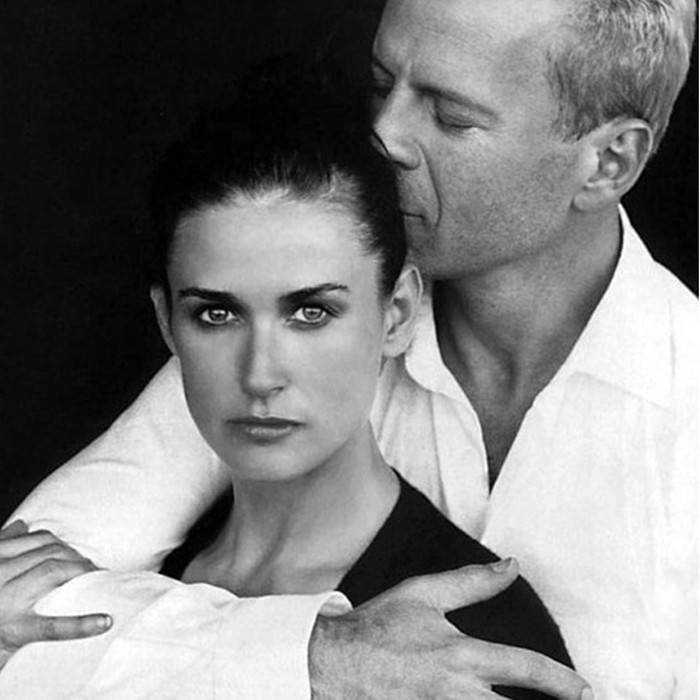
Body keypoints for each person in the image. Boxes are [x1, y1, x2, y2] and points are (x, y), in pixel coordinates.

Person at [5, 0, 697, 697]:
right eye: (380, 84)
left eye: (450, 116)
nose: (382, 134)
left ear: (610, 161)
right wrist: (316, 657)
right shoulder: (289, 330)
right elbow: (18, 602)